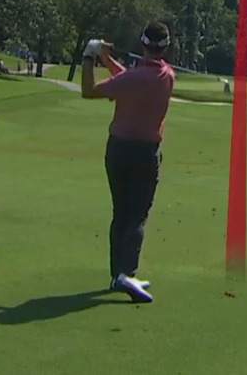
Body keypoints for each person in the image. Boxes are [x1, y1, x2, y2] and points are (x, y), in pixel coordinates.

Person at [80, 22, 177, 304]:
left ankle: (118, 275)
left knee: (121, 213)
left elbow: (90, 90)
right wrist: (105, 58)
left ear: (142, 43)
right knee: (137, 216)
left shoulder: (132, 79)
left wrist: (90, 56)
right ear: (165, 47)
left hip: (118, 150)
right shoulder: (168, 76)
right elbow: (127, 79)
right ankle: (126, 273)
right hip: (145, 153)